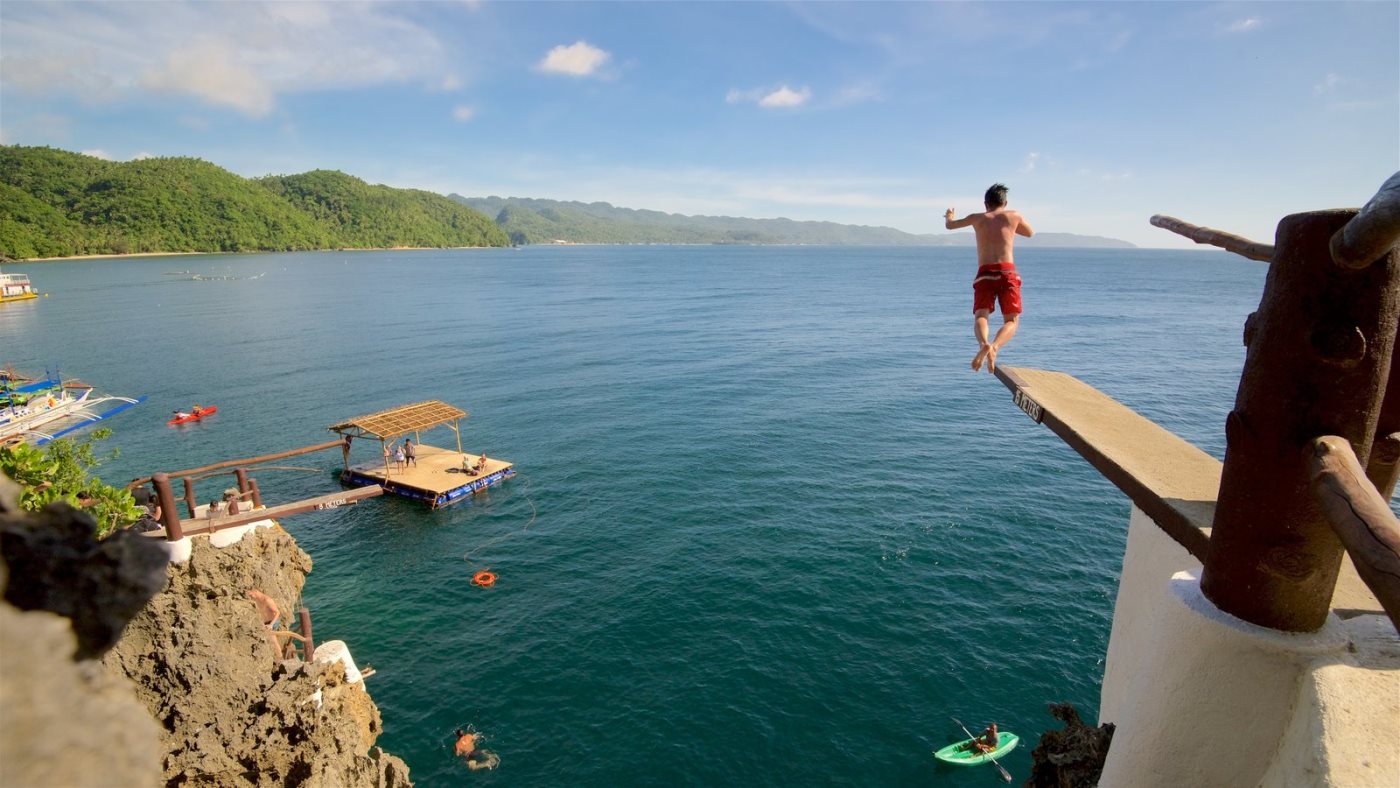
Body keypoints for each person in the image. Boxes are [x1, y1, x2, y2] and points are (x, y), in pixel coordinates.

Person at [945, 183, 1034, 373]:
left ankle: (984, 343)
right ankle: (994, 346)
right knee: (1011, 321)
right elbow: (1030, 233)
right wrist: (1010, 225)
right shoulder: (1014, 215)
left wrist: (949, 216)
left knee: (981, 316)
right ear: (1005, 202)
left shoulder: (976, 218)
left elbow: (950, 226)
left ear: (985, 204)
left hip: (984, 273)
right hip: (1007, 273)